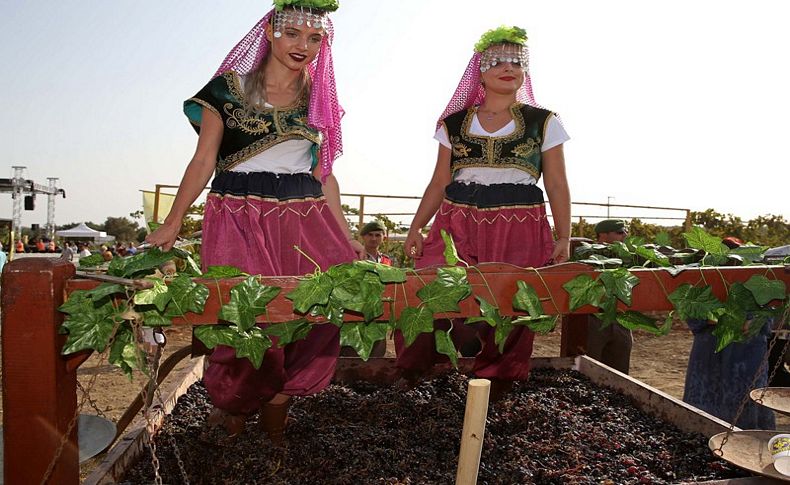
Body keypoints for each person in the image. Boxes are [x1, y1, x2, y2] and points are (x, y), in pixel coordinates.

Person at [145, 0, 362, 441]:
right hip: (238, 214)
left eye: (314, 37)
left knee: (305, 318)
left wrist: (349, 235)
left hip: (305, 218)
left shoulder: (320, 98)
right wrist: (172, 221)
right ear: (268, 31)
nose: (303, 45)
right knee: (242, 317)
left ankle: (275, 432)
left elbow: (325, 177)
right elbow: (203, 160)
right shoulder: (226, 90)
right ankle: (235, 414)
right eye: (292, 33)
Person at [397, 26, 571, 399]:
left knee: (511, 304)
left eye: (516, 62)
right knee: (428, 289)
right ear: (480, 70)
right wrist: (416, 228)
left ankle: (497, 389)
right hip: (456, 218)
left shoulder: (545, 122)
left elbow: (556, 184)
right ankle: (422, 375)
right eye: (497, 61)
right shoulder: (455, 124)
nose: (508, 68)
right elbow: (439, 181)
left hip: (519, 221)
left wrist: (564, 236)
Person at [585, 219, 634, 374]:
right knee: (590, 369)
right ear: (603, 235)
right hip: (593, 319)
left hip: (621, 318)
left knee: (619, 371)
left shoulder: (628, 256)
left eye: (625, 231)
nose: (624, 235)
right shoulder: (588, 254)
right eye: (619, 232)